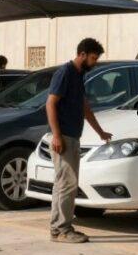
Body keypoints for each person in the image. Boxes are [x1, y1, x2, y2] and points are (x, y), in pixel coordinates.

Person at [46, 38, 113, 243]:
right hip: (64, 137)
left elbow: (85, 107)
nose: (94, 62)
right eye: (93, 58)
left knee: (63, 184)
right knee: (68, 184)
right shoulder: (65, 73)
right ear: (82, 54)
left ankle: (58, 229)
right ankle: (63, 230)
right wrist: (57, 135)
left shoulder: (78, 75)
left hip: (72, 137)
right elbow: (50, 104)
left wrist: (100, 132)